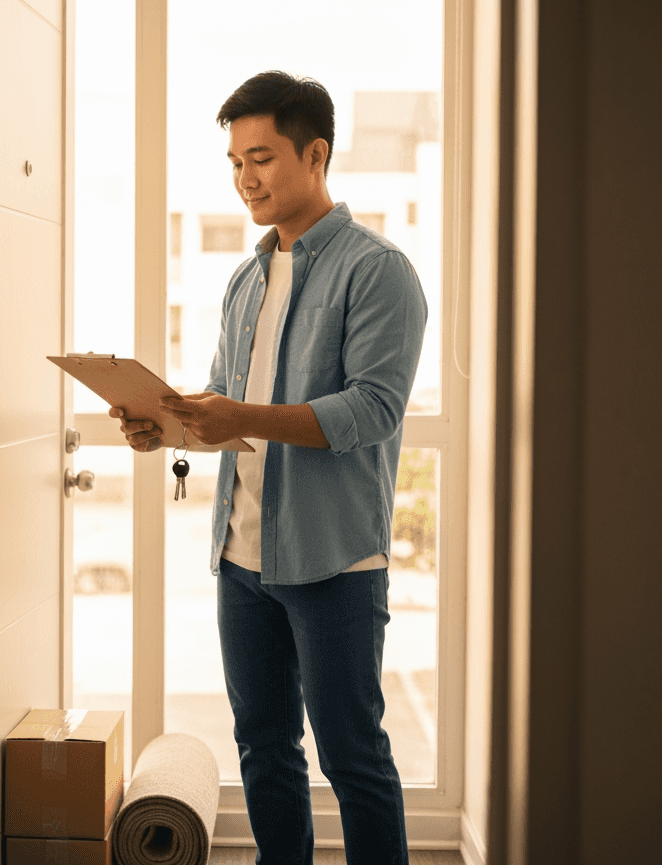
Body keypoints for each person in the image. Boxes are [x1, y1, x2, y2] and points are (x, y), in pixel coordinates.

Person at [110, 71, 427, 864]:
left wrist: (240, 416)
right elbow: (225, 410)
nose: (245, 179)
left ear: (315, 155)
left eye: (261, 159)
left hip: (334, 562)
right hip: (241, 560)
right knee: (263, 746)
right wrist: (166, 427)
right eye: (234, 162)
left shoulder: (378, 270)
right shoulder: (245, 279)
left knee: (352, 757)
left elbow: (373, 410)